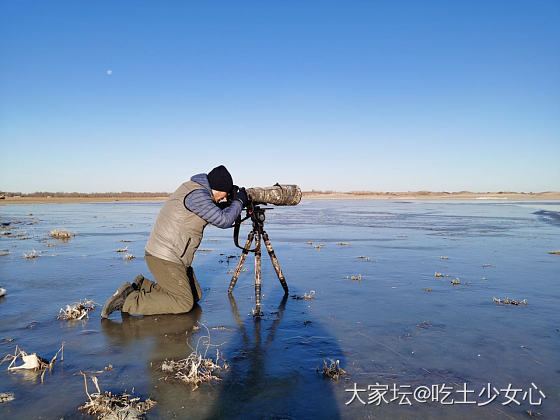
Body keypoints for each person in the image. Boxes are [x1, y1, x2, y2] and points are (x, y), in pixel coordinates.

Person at [101, 165, 248, 318]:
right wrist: (238, 201)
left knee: (194, 295)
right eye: (223, 196)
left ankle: (141, 285)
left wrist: (234, 205)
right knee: (183, 302)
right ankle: (127, 301)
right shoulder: (198, 196)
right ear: (217, 188)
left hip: (169, 254)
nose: (223, 199)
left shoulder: (196, 190)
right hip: (165, 257)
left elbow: (214, 211)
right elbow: (223, 220)